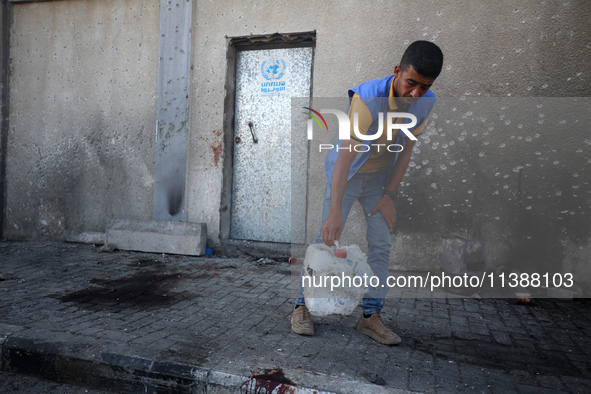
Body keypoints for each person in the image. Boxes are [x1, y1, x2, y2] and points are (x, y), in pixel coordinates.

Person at [291, 41, 444, 345]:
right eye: (411, 83)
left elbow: (405, 152)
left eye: (424, 87)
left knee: (381, 244)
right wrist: (335, 212)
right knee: (326, 238)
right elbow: (347, 154)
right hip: (346, 176)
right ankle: (301, 307)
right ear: (397, 71)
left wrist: (390, 194)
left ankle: (370, 317)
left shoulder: (425, 102)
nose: (415, 93)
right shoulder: (368, 98)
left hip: (377, 181)